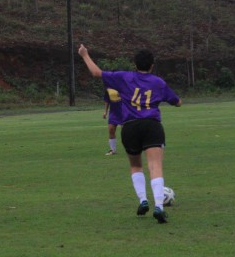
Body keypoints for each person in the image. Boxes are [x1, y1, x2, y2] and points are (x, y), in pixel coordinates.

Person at [78, 45, 182, 223]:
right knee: (155, 166)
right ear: (152, 65)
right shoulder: (158, 82)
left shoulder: (124, 77)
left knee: (136, 166)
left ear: (134, 64)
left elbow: (96, 73)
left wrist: (85, 55)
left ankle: (143, 201)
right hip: (152, 126)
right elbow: (177, 102)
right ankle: (158, 205)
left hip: (130, 127)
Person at [103, 87, 122, 156]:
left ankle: (132, 148)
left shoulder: (125, 83)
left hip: (125, 112)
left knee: (126, 132)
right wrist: (105, 111)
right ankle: (113, 150)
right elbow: (107, 100)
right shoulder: (108, 87)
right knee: (111, 129)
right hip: (114, 113)